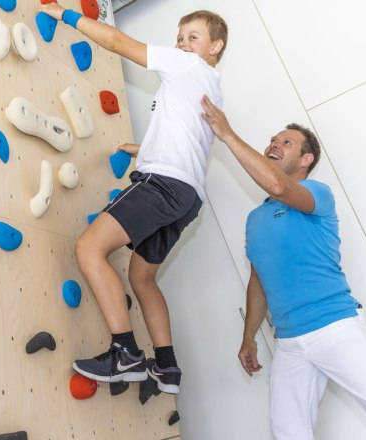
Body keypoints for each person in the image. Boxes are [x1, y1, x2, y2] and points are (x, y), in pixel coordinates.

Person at [199, 96, 366, 439]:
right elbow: (259, 281)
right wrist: (249, 337)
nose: (274, 144)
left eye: (287, 142)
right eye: (273, 139)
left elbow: (277, 186)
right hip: (290, 342)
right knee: (288, 432)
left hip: (335, 328)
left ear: (306, 159)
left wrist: (227, 134)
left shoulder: (316, 193)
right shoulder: (255, 219)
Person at [40, 3, 228, 394]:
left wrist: (65, 15)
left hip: (163, 184)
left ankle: (124, 354)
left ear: (216, 46)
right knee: (142, 278)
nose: (182, 44)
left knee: (89, 248)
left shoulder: (186, 65)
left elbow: (118, 41)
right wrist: (143, 149)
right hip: (187, 196)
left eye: (193, 37)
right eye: (180, 38)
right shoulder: (209, 86)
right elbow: (185, 141)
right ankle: (167, 367)